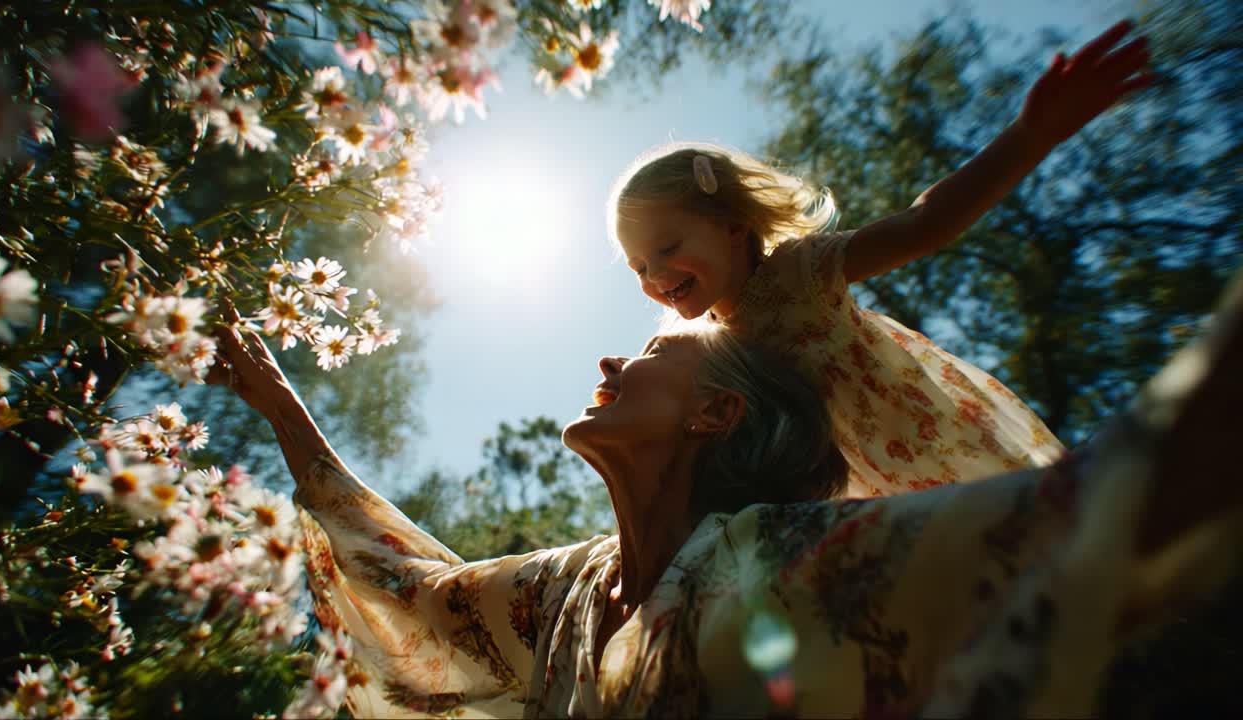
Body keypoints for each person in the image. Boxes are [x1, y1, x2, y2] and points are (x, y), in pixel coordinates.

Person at [209, 271, 1242, 719]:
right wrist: (275, 397)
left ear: (715, 416)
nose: (612, 355)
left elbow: (1093, 516)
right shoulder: (562, 596)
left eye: (656, 351)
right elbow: (411, 589)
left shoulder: (781, 560)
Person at [608, 20, 1156, 497]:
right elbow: (665, 409)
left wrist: (1031, 136)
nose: (654, 276)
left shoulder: (800, 273)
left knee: (1018, 537)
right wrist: (622, 392)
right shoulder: (702, 348)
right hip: (855, 495)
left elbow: (925, 223)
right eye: (637, 269)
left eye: (667, 249)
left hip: (928, 446)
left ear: (732, 226)